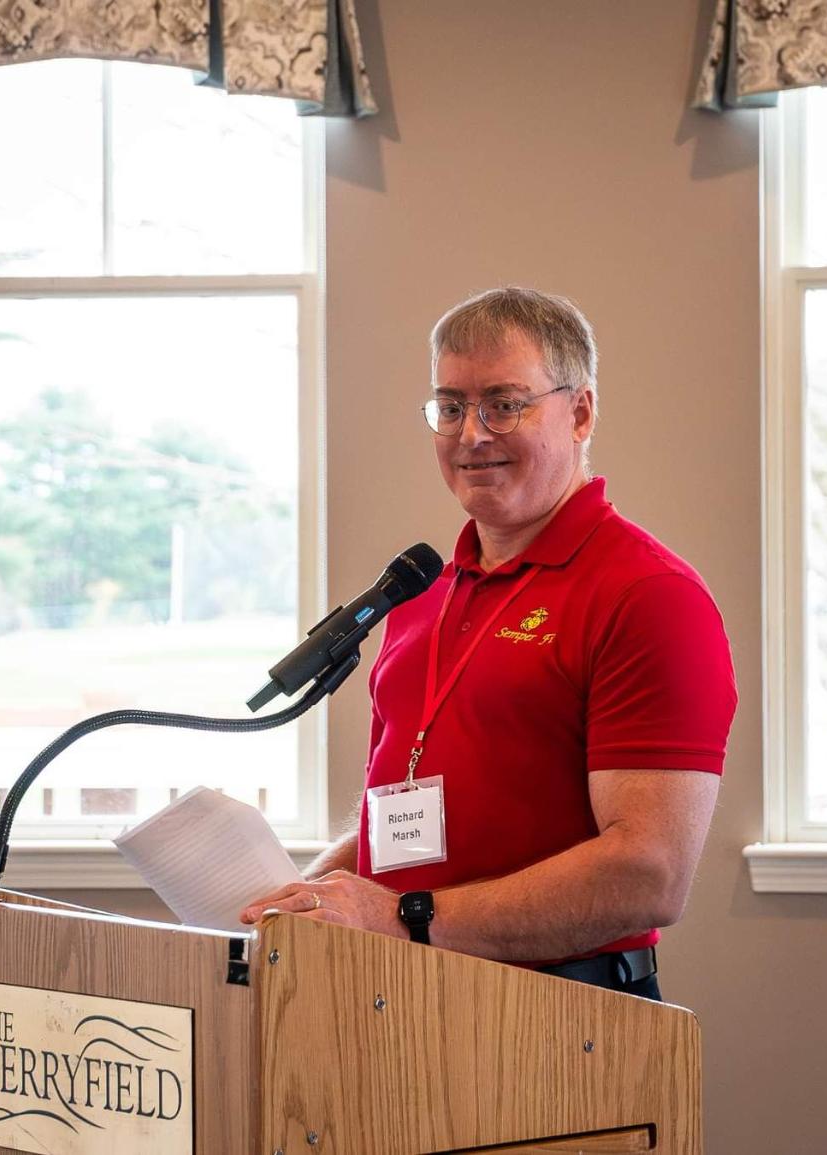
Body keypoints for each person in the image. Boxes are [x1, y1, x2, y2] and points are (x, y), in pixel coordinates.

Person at [241, 287, 737, 1000]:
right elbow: (401, 823)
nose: (472, 433)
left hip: (564, 1017)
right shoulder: (422, 598)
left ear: (582, 411)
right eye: (450, 406)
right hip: (395, 999)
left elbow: (648, 873)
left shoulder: (649, 594)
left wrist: (405, 917)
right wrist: (305, 897)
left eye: (504, 403)